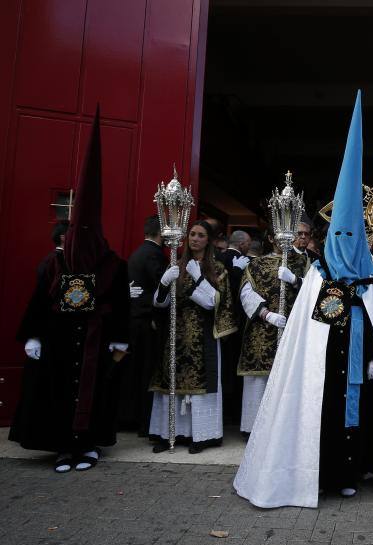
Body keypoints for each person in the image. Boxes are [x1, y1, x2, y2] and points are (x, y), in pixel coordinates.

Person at [234, 90, 373, 506]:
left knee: (353, 420)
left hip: (358, 365)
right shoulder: (316, 274)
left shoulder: (369, 277)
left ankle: (351, 473)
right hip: (323, 366)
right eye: (338, 235)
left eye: (350, 235)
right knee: (321, 418)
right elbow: (305, 330)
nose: (344, 242)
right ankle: (318, 474)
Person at [10, 109, 130, 472]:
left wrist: (119, 338)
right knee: (59, 391)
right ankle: (63, 447)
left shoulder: (112, 265)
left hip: (97, 337)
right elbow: (40, 300)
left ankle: (89, 445)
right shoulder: (55, 264)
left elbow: (119, 302)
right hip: (61, 338)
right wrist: (33, 335)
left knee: (96, 393)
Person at [149, 220, 238, 453]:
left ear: (208, 240)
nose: (195, 239)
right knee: (171, 382)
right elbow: (160, 303)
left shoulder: (217, 269)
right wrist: (164, 282)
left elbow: (213, 303)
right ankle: (168, 432)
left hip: (203, 335)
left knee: (200, 386)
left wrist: (198, 278)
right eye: (192, 234)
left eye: (200, 235)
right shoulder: (177, 265)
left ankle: (201, 435)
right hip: (176, 335)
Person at [237, 227, 309, 437]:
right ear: (270, 238)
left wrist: (295, 281)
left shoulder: (302, 263)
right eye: (279, 234)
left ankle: (283, 429)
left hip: (292, 329)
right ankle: (253, 429)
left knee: (288, 379)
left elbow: (316, 291)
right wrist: (266, 314)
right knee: (258, 382)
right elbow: (246, 292)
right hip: (262, 329)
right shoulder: (257, 264)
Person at [121, 216, 167, 435]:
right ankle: (144, 420)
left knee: (136, 370)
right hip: (148, 321)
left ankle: (131, 416)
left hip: (136, 319)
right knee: (146, 371)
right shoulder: (154, 255)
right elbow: (161, 286)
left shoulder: (138, 253)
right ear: (161, 233)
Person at [219, 229, 251, 425]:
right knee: (233, 367)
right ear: (243, 245)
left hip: (218, 324)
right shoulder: (241, 262)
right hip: (236, 322)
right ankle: (231, 412)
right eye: (248, 243)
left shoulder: (218, 257)